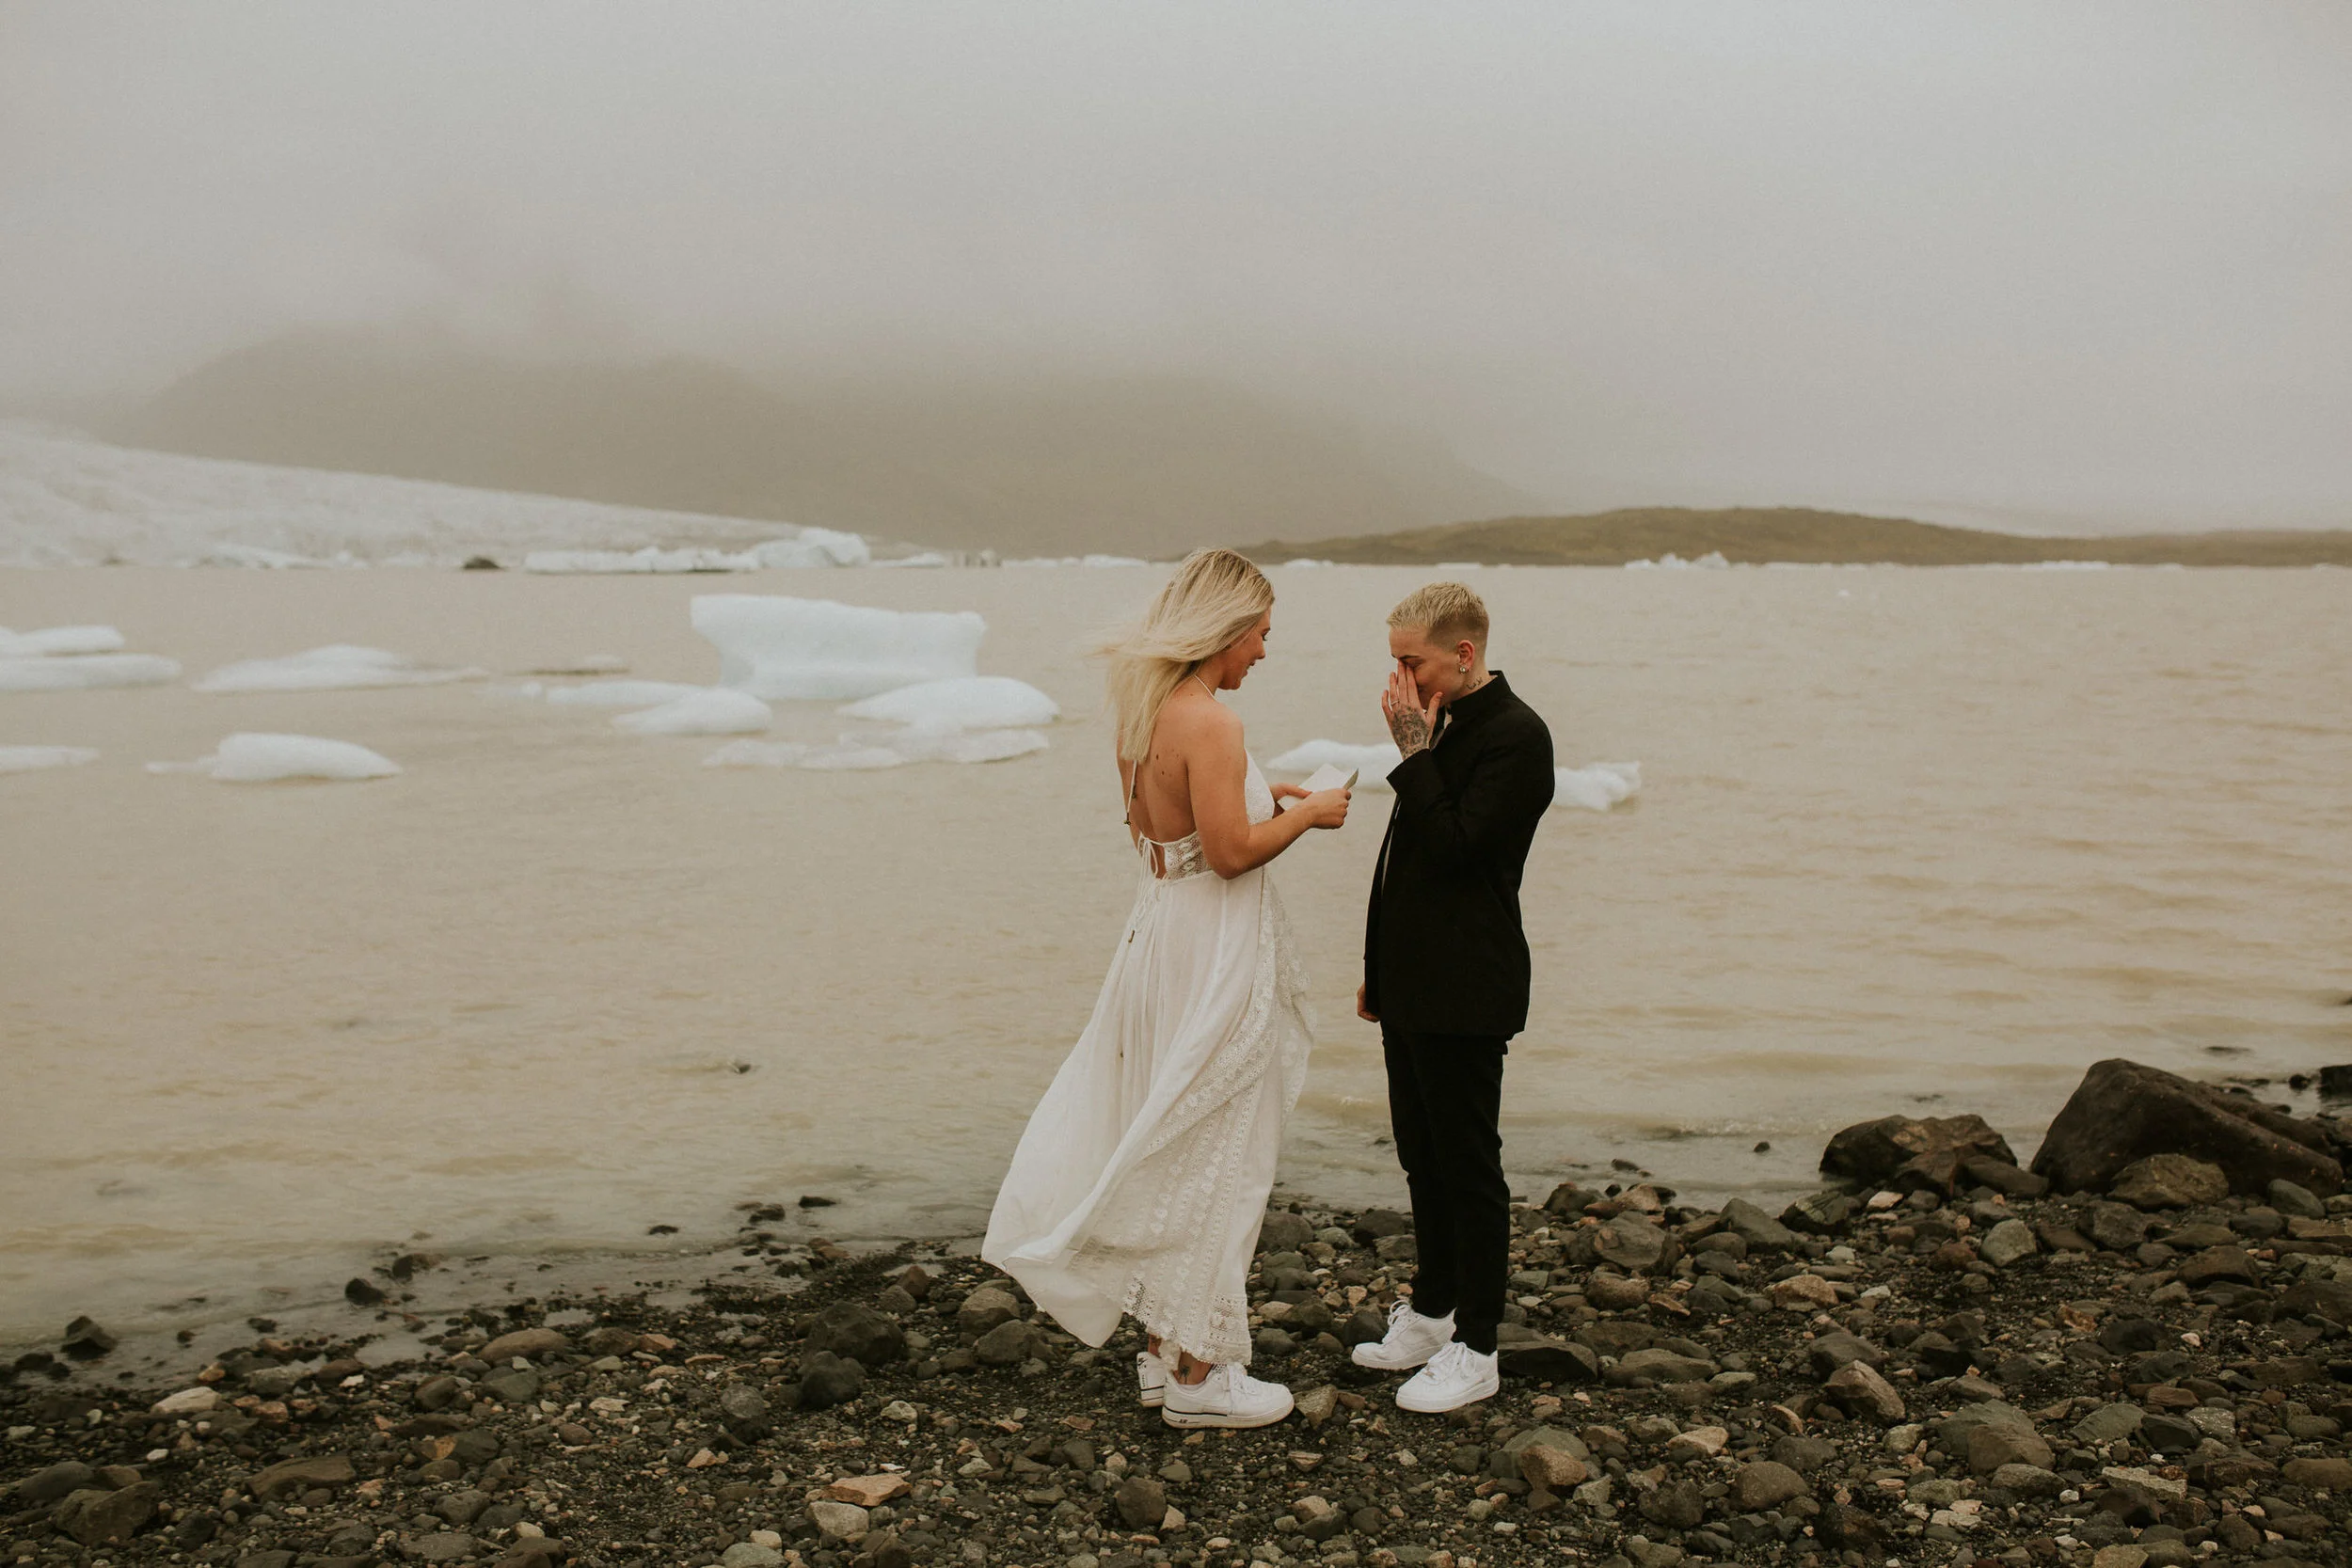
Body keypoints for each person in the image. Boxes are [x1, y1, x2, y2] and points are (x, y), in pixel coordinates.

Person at [983, 547, 1352, 1429]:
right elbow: (1227, 855)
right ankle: (1199, 1375)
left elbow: (1161, 834)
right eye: (1260, 633)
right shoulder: (1213, 722)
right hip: (1213, 948)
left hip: (1157, 939)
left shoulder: (1142, 712)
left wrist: (1265, 798)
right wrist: (1308, 814)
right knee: (1222, 1148)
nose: (1263, 650)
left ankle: (1160, 1351)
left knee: (1168, 1133)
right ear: (1225, 629)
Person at [1350, 581, 1554, 1413]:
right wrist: (1380, 968)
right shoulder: (1444, 725)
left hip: (1469, 984)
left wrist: (1413, 752)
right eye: (1396, 663)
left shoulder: (1517, 736)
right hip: (1413, 982)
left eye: (1413, 663)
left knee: (1468, 1165)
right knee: (1420, 1154)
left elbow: (1458, 848)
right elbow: (1406, 866)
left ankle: (1479, 1343)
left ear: (1463, 654)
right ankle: (1433, 1311)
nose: (1402, 681)